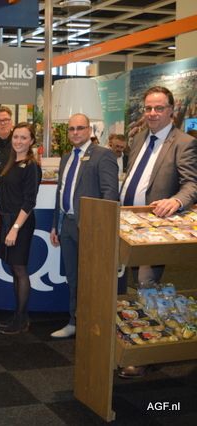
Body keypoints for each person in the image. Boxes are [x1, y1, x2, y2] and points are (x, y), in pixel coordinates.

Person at [118, 86, 197, 378]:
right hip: (126, 227)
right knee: (130, 290)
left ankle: (148, 352)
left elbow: (192, 184)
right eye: (148, 108)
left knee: (147, 287)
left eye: (159, 108)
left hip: (153, 231)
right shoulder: (139, 138)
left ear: (171, 111)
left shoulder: (184, 143)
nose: (152, 113)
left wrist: (176, 201)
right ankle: (128, 342)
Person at [50, 113, 119, 339]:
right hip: (68, 225)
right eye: (71, 129)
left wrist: (102, 228)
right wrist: (55, 225)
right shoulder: (66, 157)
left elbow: (110, 193)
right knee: (73, 278)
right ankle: (74, 321)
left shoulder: (103, 155)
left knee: (92, 279)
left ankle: (94, 325)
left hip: (92, 228)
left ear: (89, 130)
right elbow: (61, 192)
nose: (75, 132)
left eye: (80, 128)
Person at [0, 123, 41, 334]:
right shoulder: (11, 162)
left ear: (31, 141)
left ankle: (21, 320)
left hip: (21, 224)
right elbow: (5, 197)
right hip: (6, 220)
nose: (18, 141)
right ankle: (18, 315)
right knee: (13, 268)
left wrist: (15, 229)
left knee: (20, 269)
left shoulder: (31, 166)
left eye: (23, 138)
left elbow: (29, 202)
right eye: (16, 137)